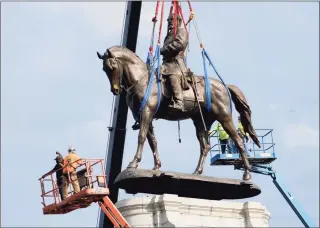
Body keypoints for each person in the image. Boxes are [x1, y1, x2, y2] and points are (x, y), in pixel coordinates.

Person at [160, 12, 189, 111]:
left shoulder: (181, 31)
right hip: (166, 64)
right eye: (169, 20)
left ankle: (179, 102)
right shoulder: (168, 35)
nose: (170, 22)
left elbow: (179, 44)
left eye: (172, 20)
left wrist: (164, 49)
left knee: (173, 76)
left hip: (175, 64)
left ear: (179, 22)